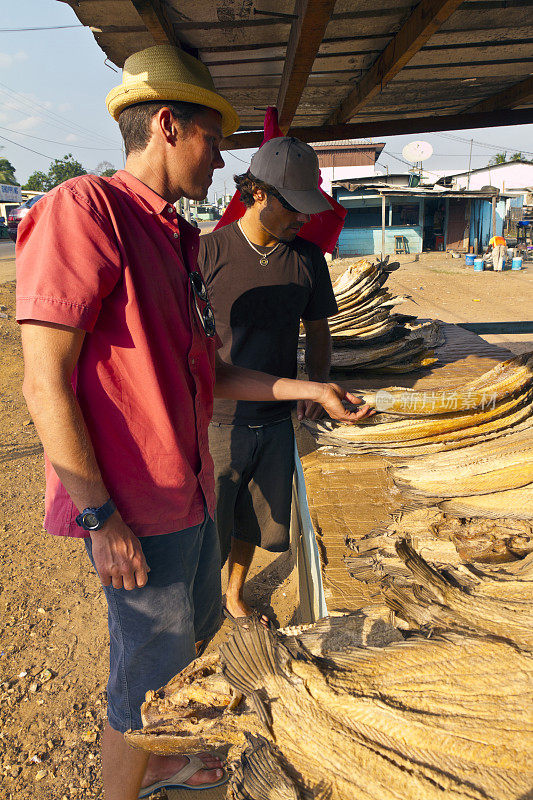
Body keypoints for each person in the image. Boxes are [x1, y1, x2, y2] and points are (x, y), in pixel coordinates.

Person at [16, 46, 372, 800]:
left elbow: (208, 375)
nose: (220, 164)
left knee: (186, 643)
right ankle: (126, 786)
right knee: (143, 681)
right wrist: (97, 514)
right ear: (169, 125)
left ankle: (163, 764)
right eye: (214, 141)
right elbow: (44, 380)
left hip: (191, 491)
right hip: (135, 508)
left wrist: (311, 385)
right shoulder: (86, 210)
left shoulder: (177, 239)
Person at [198, 138, 341, 627]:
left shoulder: (307, 258)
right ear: (257, 193)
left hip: (278, 419)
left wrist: (317, 384)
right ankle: (197, 612)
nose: (303, 218)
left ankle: (233, 594)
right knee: (207, 525)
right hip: (215, 422)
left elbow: (318, 330)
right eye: (293, 206)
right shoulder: (206, 253)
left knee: (259, 521)